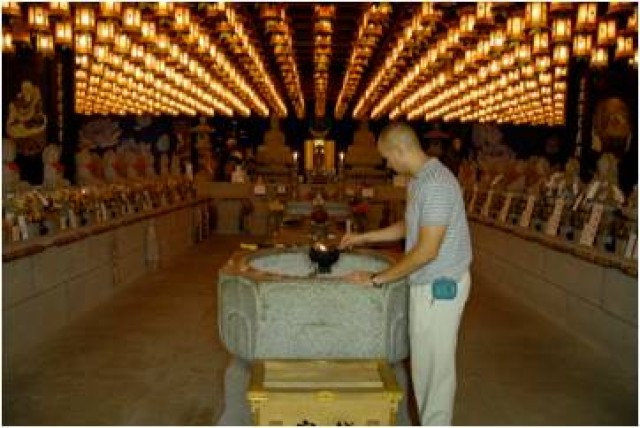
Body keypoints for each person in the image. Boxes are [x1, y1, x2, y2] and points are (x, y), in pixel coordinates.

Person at [339, 122, 472, 426]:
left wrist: (376, 280)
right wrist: (364, 238)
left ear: (401, 150)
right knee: (423, 368)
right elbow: (408, 227)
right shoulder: (419, 181)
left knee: (435, 374)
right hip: (424, 284)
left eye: (388, 157)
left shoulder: (437, 184)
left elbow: (427, 250)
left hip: (440, 286)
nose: (388, 164)